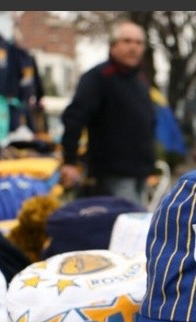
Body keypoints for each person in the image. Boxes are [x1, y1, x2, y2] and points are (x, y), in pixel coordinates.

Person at [59, 19, 155, 205]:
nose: (133, 47)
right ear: (113, 46)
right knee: (132, 226)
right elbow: (74, 118)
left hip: (141, 172)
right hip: (112, 174)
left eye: (138, 43)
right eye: (127, 41)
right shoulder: (98, 78)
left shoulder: (141, 81)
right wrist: (69, 161)